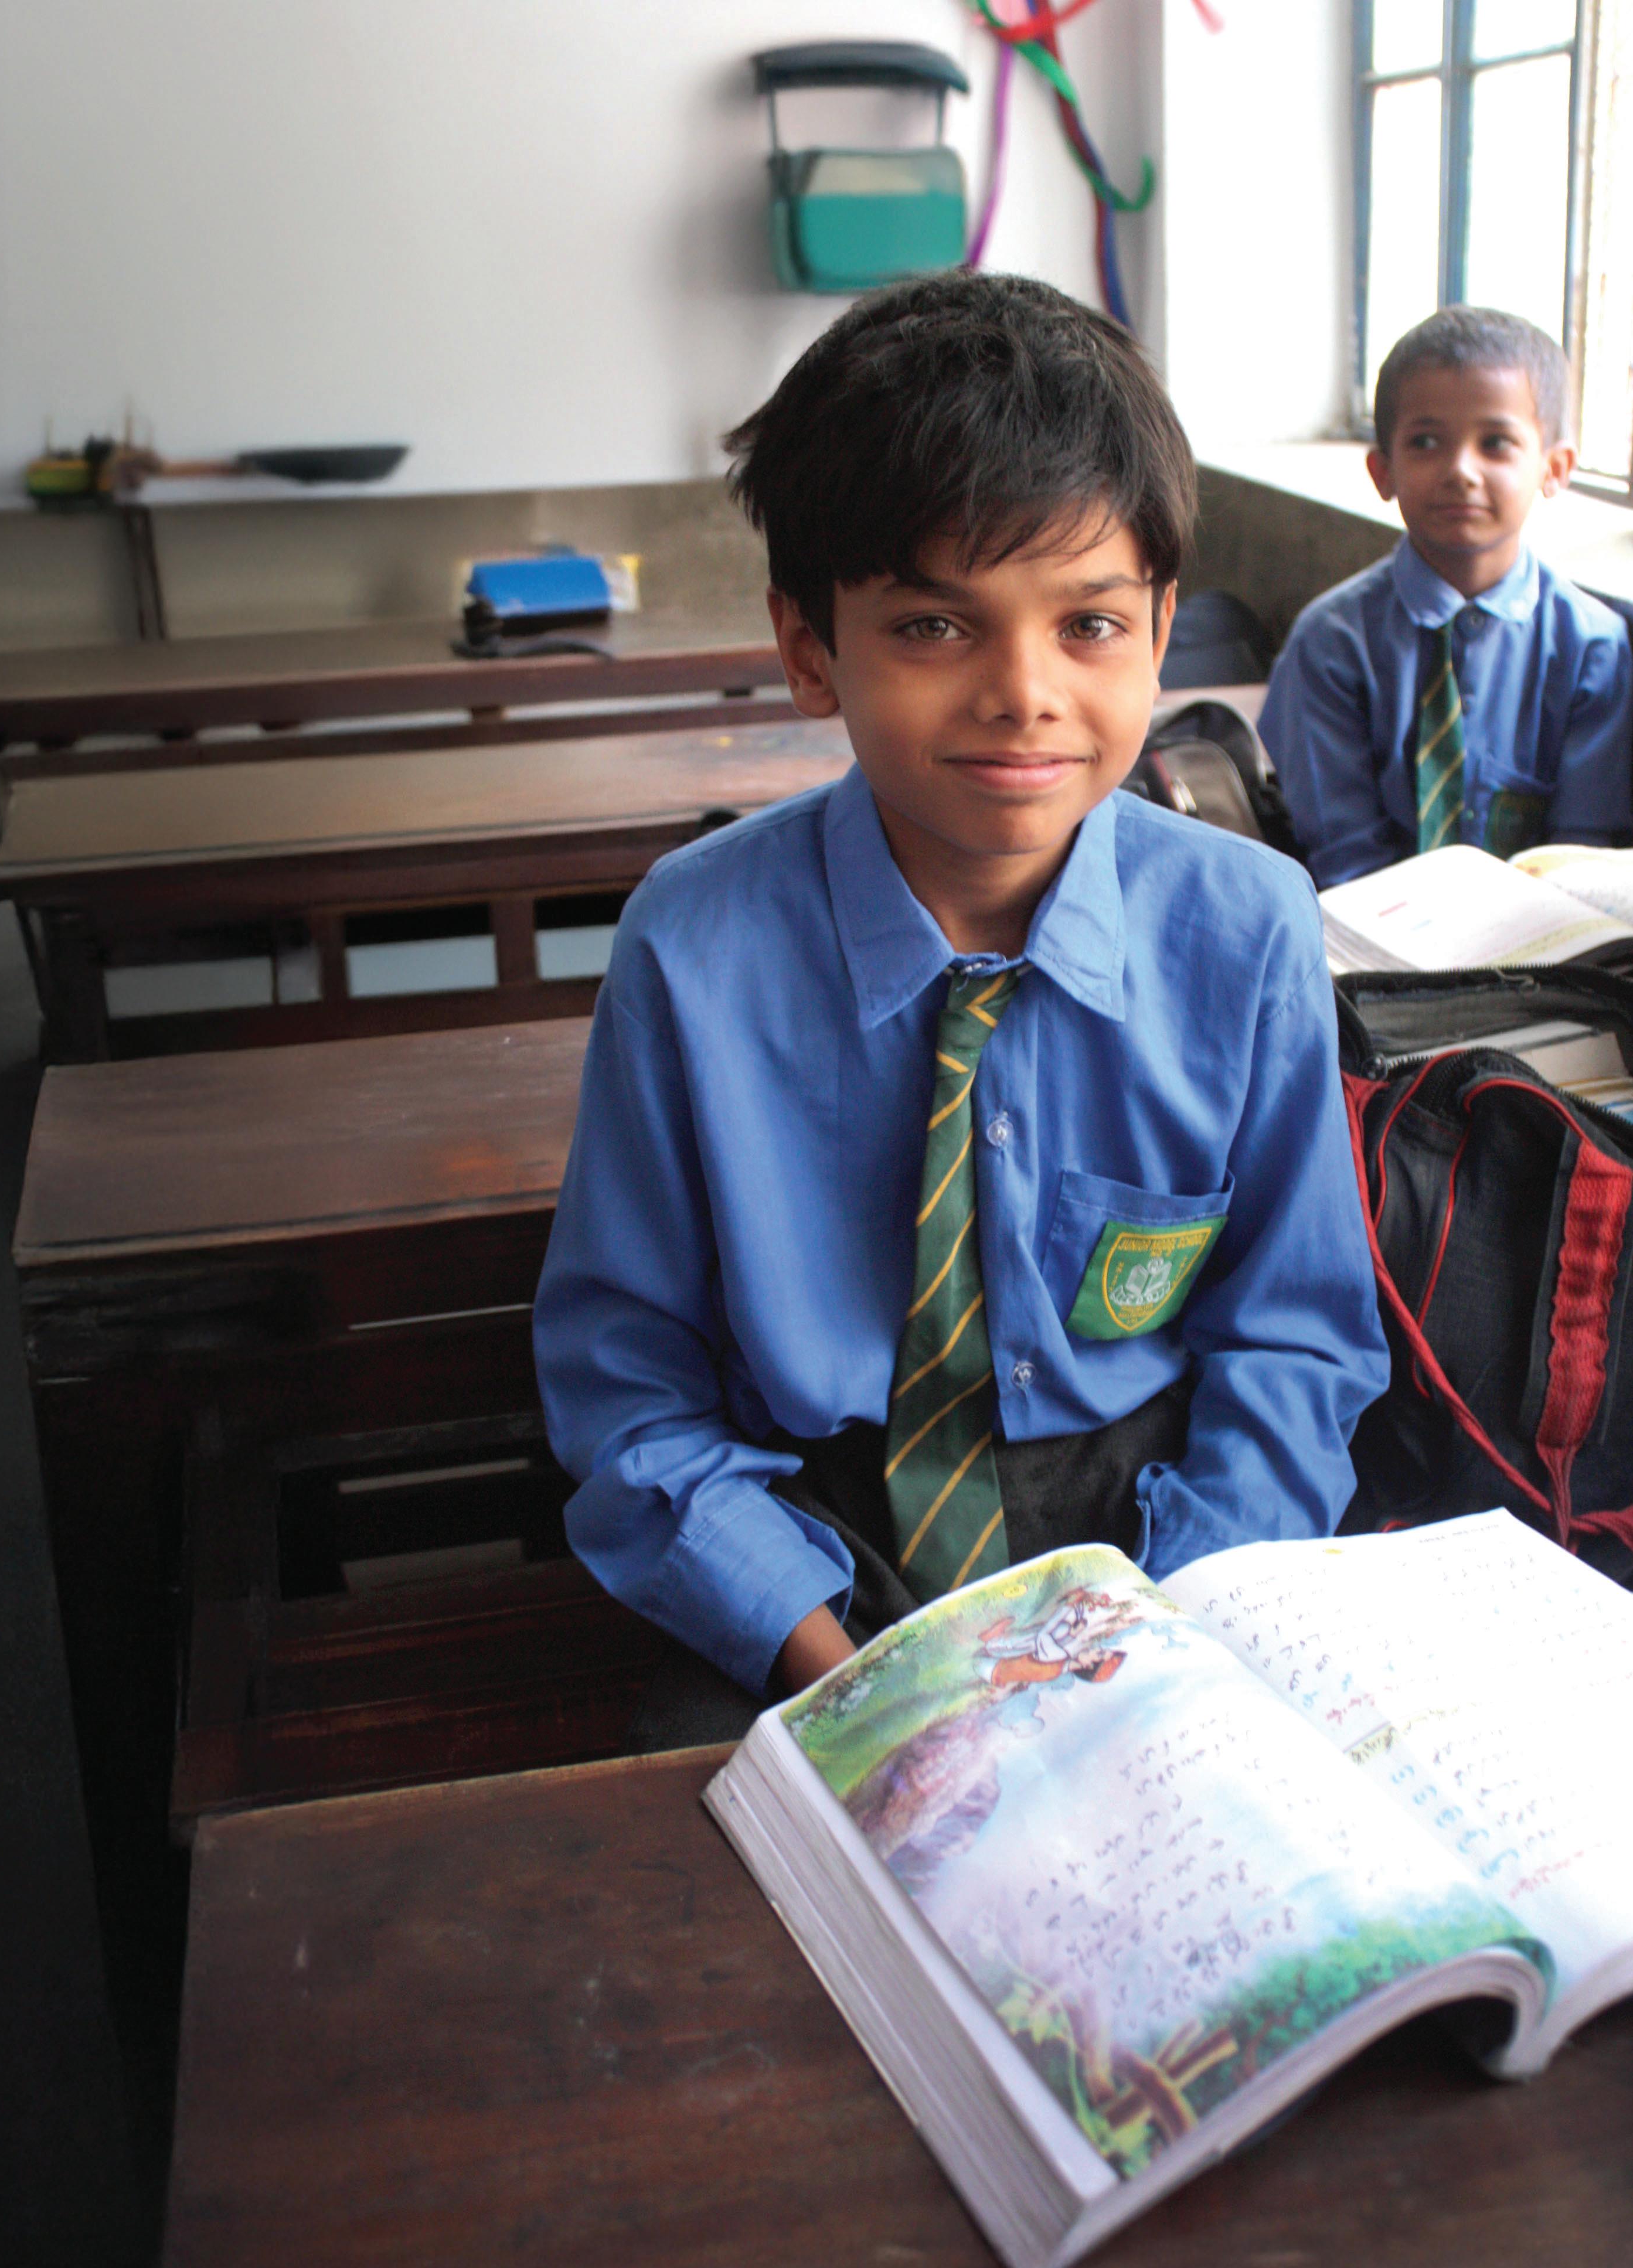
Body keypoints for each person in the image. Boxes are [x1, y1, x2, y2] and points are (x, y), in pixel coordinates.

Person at [533, 271, 1388, 1707]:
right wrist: (839, 1668)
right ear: (810, 648)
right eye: (935, 627)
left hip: (1152, 1538)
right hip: (806, 1534)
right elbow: (629, 1386)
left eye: (1088, 625)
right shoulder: (693, 947)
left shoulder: (1244, 928)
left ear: (1160, 632)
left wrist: (1167, 1631)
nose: (1022, 691)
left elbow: (1291, 1341)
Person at [1258, 306, 1631, 890]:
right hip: (1366, 927)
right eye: (1426, 442)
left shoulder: (1594, 648)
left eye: (1495, 443)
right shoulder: (1330, 645)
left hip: (1550, 932)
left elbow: (1580, 856)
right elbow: (1343, 854)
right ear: (1382, 471)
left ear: (1554, 468)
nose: (1461, 470)